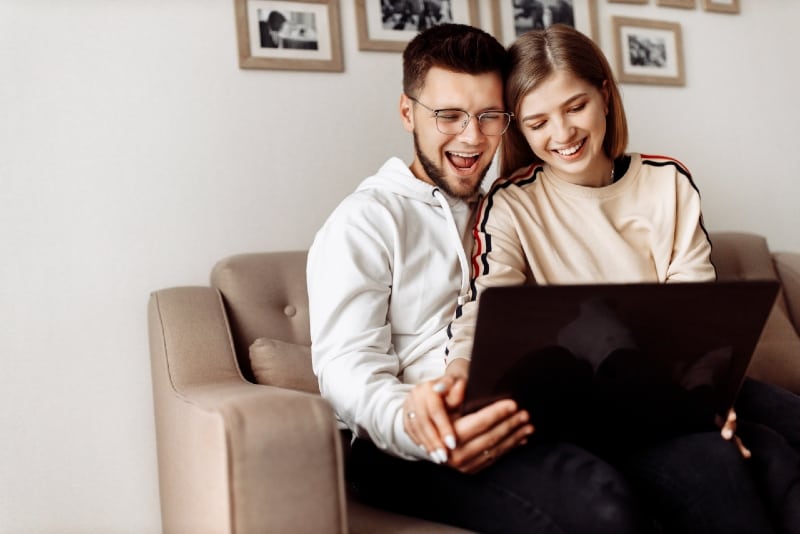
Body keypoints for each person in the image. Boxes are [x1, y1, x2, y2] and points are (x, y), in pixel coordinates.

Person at [444, 23, 800, 533]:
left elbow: (698, 309)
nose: (562, 134)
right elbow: (482, 306)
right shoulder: (511, 203)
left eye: (575, 107)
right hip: (602, 401)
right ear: (519, 129)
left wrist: (707, 398)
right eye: (538, 121)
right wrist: (460, 374)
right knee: (729, 465)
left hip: (685, 381)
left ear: (605, 97)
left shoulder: (666, 182)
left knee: (780, 449)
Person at [308, 23, 653, 534]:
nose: (471, 137)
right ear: (408, 113)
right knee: (602, 505)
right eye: (448, 115)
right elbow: (344, 365)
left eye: (489, 116)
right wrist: (416, 423)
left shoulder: (516, 205)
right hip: (402, 445)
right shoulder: (365, 220)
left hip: (523, 410)